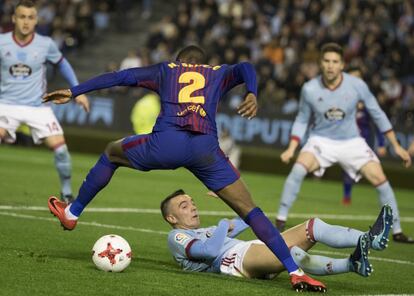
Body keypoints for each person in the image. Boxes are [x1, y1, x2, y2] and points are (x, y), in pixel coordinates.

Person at [45, 45, 327, 292]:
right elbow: (246, 67)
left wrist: (74, 91)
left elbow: (120, 77)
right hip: (205, 151)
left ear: (179, 62)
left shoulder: (166, 70)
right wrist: (252, 93)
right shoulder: (217, 73)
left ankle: (72, 212)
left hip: (165, 145)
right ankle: (295, 272)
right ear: (203, 63)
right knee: (251, 211)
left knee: (111, 153)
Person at [275, 42, 413, 244]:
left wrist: (396, 145)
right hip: (321, 140)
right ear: (321, 63)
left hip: (351, 141)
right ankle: (279, 221)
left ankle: (398, 231)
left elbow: (377, 113)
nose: (331, 65)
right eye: (327, 61)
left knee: (379, 177)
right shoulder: (310, 88)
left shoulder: (357, 85)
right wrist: (292, 148)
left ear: (342, 65)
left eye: (335, 61)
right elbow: (302, 118)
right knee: (298, 169)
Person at [162, 189, 393, 280]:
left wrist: (227, 198)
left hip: (245, 252)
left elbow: (251, 216)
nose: (193, 207)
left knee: (296, 254)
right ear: (171, 218)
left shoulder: (206, 231)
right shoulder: (177, 237)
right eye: (184, 206)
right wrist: (223, 224)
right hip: (233, 260)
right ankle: (372, 239)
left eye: (192, 202)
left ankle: (352, 264)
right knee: (312, 227)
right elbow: (210, 251)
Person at [0, 0, 90, 202]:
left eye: (30, 18)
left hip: (37, 106)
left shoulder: (45, 44)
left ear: (36, 20)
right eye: (22, 17)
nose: (26, 22)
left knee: (61, 151)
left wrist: (77, 92)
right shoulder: (1, 42)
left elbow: (63, 65)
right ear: (14, 19)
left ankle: (66, 194)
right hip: (6, 104)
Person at [341, 67, 387, 205]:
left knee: (373, 170)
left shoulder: (367, 99)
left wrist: (381, 143)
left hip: (364, 141)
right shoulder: (339, 97)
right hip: (346, 140)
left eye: (358, 77)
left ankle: (384, 198)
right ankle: (347, 196)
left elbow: (377, 122)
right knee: (348, 169)